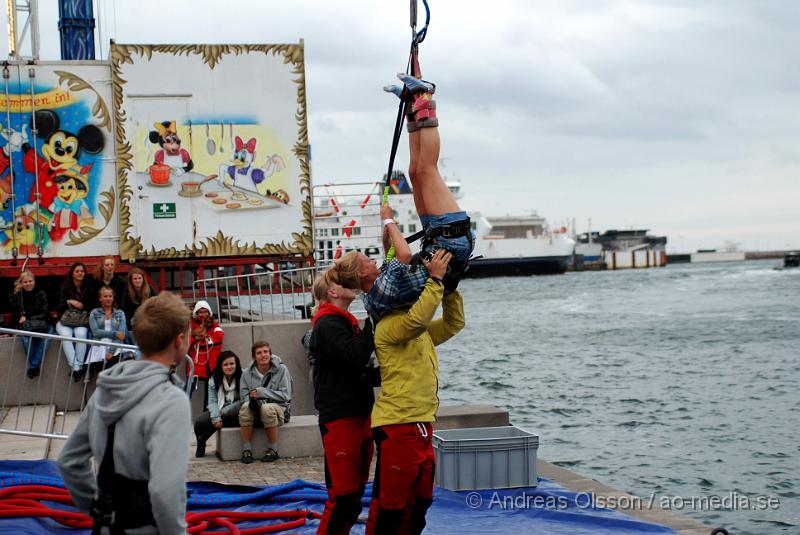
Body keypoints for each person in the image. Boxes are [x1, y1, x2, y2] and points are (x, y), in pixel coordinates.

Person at [58, 292, 193, 535]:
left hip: (106, 527)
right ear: (179, 341)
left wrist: (98, 508)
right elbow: (165, 491)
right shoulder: (171, 400)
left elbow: (69, 461)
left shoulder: (107, 388)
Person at [353, 72, 474, 320]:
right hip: (450, 243)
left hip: (438, 242)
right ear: (360, 275)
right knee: (428, 170)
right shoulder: (378, 294)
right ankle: (425, 96)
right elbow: (405, 256)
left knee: (414, 171)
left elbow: (392, 264)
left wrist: (387, 240)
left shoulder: (372, 292)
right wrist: (388, 221)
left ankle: (411, 108)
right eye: (367, 262)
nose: (372, 262)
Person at [364, 249, 464, 535]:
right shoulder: (388, 327)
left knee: (420, 503)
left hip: (420, 425)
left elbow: (453, 324)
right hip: (398, 426)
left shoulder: (414, 329)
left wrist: (450, 290)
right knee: (391, 507)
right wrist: (434, 281)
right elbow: (417, 321)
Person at [310, 267, 379, 534]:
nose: (351, 284)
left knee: (353, 498)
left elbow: (355, 370)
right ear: (333, 292)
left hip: (357, 415)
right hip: (341, 420)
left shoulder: (341, 321)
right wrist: (374, 319)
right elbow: (355, 356)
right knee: (343, 497)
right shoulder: (327, 323)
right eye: (342, 282)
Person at [238, 340, 292, 464]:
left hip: (279, 408)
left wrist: (262, 392)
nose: (263, 355)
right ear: (254, 356)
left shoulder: (282, 369)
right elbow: (243, 396)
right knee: (245, 406)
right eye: (259, 353)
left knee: (267, 408)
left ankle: (273, 449)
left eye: (266, 352)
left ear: (270, 354)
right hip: (255, 410)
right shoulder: (246, 373)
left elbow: (286, 395)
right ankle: (247, 450)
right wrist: (253, 401)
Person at [193, 350, 243, 458]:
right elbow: (212, 401)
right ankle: (201, 441)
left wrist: (225, 411)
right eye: (225, 364)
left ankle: (204, 436)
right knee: (200, 422)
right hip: (220, 411)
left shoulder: (243, 377)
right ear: (220, 366)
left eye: (232, 364)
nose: (229, 367)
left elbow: (244, 400)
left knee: (228, 417)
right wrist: (215, 417)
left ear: (236, 364)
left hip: (238, 412)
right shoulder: (214, 379)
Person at [56, 261, 95, 381]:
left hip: (81, 320)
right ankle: (76, 368)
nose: (80, 273)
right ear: (72, 274)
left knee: (81, 335)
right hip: (65, 320)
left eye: (82, 271)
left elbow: (92, 305)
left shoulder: (89, 287)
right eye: (77, 271)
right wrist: (70, 302)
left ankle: (77, 367)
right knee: (66, 336)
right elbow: (58, 306)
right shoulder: (65, 287)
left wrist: (82, 305)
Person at [9, 270, 51, 379]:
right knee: (26, 341)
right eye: (25, 282)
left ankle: (33, 366)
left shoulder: (42, 293)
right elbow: (14, 314)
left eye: (30, 281)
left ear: (34, 281)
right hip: (26, 327)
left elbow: (45, 313)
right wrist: (10, 329)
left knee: (46, 340)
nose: (28, 284)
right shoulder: (18, 296)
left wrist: (28, 318)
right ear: (21, 283)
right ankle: (35, 367)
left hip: (44, 324)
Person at [188, 300, 224, 407]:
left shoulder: (214, 325)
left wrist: (198, 340)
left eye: (205, 312)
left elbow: (219, 338)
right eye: (201, 312)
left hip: (210, 365)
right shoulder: (190, 326)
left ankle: (206, 415)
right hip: (196, 366)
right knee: (188, 390)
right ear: (196, 313)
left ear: (209, 313)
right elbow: (185, 342)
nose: (203, 314)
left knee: (209, 396)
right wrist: (198, 340)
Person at [88, 286, 129, 371]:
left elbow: (121, 335)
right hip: (98, 348)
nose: (108, 298)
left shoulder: (120, 313)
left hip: (116, 348)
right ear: (100, 298)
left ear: (113, 298)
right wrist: (115, 334)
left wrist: (111, 352)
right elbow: (96, 332)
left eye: (110, 296)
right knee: (102, 377)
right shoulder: (94, 313)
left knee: (115, 376)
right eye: (105, 296)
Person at [120, 267, 157, 332]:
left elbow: (157, 303)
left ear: (143, 279)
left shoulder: (150, 289)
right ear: (131, 281)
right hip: (133, 319)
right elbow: (124, 309)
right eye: (135, 279)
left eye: (140, 278)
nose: (138, 281)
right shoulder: (127, 292)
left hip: (148, 318)